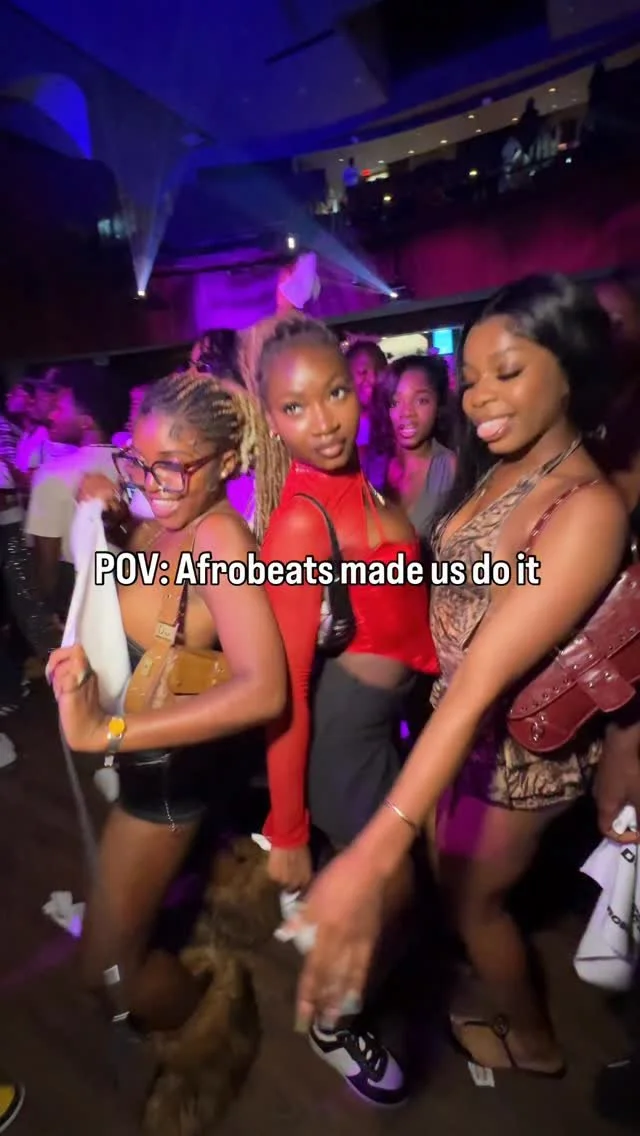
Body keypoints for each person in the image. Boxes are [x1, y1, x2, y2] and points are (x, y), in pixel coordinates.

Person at [283, 274, 628, 1075]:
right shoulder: (505, 463)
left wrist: (371, 854)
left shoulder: (588, 510)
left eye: (507, 373)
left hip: (516, 758)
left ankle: (535, 1043)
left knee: (476, 905)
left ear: (569, 368)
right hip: (456, 734)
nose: (480, 399)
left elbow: (480, 682)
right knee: (452, 886)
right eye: (470, 380)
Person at [46, 369, 286, 1101]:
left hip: (167, 787)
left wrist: (107, 727)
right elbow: (142, 581)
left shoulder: (220, 538)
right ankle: (177, 1010)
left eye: (175, 466)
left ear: (227, 461)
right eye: (140, 461)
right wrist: (110, 514)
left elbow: (264, 688)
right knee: (109, 961)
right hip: (144, 768)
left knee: (105, 972)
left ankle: (208, 1029)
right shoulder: (160, 515)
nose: (154, 482)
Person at [254, 316, 438, 1104]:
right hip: (342, 740)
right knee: (397, 896)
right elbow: (282, 693)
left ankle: (329, 938)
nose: (323, 422)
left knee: (403, 893)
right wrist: (288, 830)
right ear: (272, 420)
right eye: (295, 408)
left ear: (359, 389)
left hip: (383, 723)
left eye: (334, 393)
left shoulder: (365, 483)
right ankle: (334, 1021)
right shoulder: (302, 522)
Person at [370, 354, 456, 541]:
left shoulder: (450, 469)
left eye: (421, 400)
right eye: (395, 402)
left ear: (438, 405)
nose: (407, 413)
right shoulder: (373, 466)